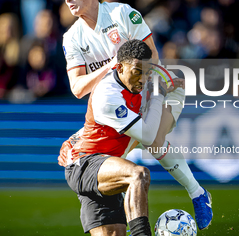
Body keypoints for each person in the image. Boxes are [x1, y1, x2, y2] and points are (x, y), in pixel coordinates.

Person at [55, 0, 212, 230]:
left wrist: (154, 89)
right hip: (108, 104)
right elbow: (77, 88)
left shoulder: (123, 14)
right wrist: (113, 65)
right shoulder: (72, 37)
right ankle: (197, 192)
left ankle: (197, 194)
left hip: (139, 88)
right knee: (152, 136)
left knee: (156, 135)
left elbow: (152, 56)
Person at [59, 39, 169, 236]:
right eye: (137, 71)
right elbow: (149, 135)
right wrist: (159, 95)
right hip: (85, 163)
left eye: (146, 72)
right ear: (119, 67)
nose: (142, 79)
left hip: (108, 166)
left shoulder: (138, 84)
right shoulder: (108, 95)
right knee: (138, 174)